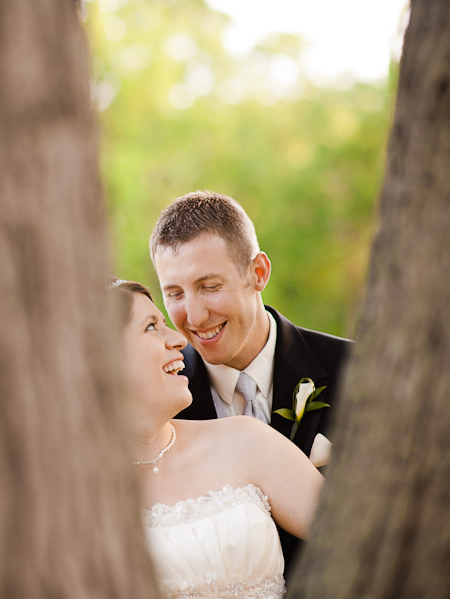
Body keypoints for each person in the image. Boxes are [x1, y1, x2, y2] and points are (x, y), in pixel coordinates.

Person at [149, 190, 352, 572]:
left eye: (209, 286)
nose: (194, 315)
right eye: (174, 293)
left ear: (258, 273)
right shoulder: (163, 402)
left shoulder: (357, 372)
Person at [112, 280, 322, 599]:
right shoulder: (70, 495)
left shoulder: (245, 440)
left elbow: (370, 546)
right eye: (151, 327)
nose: (179, 339)